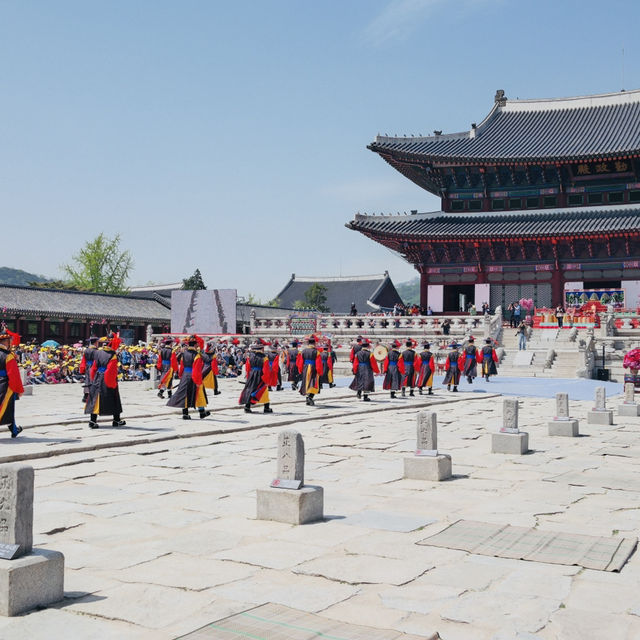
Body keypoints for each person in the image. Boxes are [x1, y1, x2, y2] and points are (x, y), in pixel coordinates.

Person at [85, 334, 126, 429]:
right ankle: (116, 420)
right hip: (107, 379)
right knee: (114, 399)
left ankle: (92, 421)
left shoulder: (98, 353)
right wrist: (112, 383)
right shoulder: (112, 355)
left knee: (95, 399)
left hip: (97, 377)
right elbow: (111, 370)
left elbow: (93, 368)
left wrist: (93, 378)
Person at [167, 335, 210, 420]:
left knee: (184, 394)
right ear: (195, 345)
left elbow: (182, 366)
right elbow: (197, 370)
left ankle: (185, 414)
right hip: (193, 376)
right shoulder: (197, 355)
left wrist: (180, 375)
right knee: (199, 393)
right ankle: (201, 412)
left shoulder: (184, 354)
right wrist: (197, 381)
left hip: (185, 375)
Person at [0, 330, 23, 438]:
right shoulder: (8, 356)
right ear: (6, 342)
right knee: (4, 407)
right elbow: (13, 375)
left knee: (8, 408)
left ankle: (14, 429)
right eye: (10, 341)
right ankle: (14, 429)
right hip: (5, 385)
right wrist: (18, 389)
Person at [239, 339, 272, 413]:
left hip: (251, 374)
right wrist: (266, 380)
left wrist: (248, 376)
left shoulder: (249, 357)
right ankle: (266, 407)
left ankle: (247, 406)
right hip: (260, 375)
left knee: (250, 389)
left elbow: (247, 368)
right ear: (262, 348)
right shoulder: (264, 358)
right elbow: (266, 370)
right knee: (262, 390)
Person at [297, 336, 323, 406]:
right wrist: (320, 372)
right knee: (314, 383)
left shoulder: (303, 351)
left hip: (305, 368)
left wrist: (300, 370)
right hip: (313, 368)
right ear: (314, 343)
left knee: (306, 383)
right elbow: (318, 363)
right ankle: (310, 397)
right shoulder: (316, 352)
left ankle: (307, 398)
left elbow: (300, 362)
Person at [79, 336, 99, 403]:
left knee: (87, 380)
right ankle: (92, 395)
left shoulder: (86, 350)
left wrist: (82, 368)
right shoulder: (96, 351)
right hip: (93, 366)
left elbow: (83, 360)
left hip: (87, 366)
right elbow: (97, 360)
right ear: (96, 342)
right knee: (94, 380)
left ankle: (85, 396)